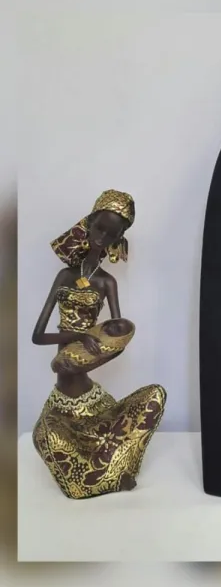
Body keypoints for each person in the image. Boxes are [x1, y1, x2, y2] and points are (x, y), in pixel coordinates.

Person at [32, 189, 166, 499]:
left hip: (93, 401)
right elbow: (38, 336)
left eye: (111, 234)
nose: (102, 238)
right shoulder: (65, 276)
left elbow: (117, 338)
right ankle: (102, 476)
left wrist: (103, 346)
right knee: (44, 434)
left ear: (119, 239)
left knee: (155, 395)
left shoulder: (107, 282)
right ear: (88, 224)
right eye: (99, 228)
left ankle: (112, 468)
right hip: (63, 402)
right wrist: (79, 336)